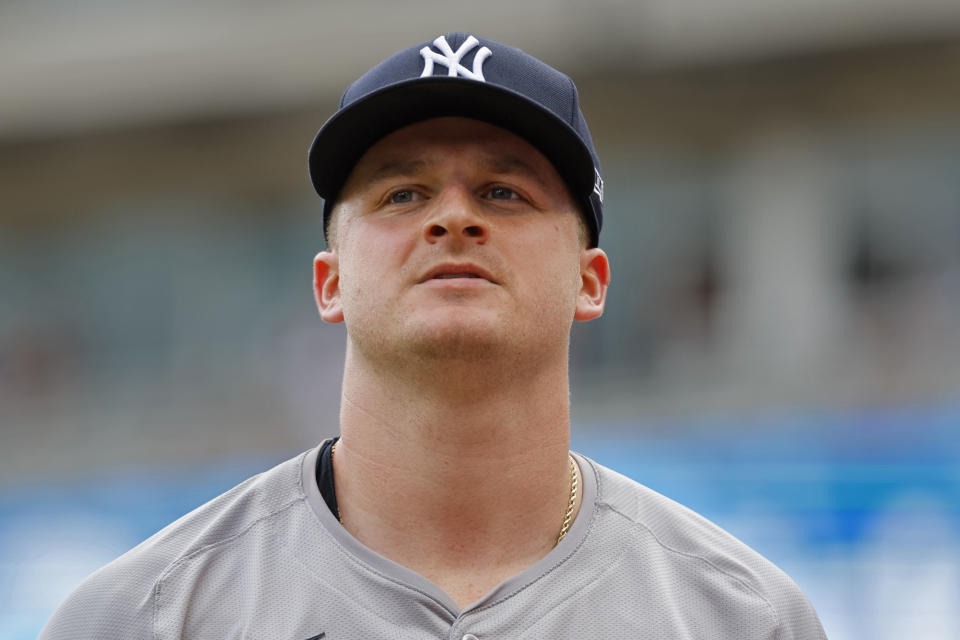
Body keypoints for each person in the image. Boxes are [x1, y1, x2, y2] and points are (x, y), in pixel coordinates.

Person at [40, 32, 826, 639]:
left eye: (503, 191)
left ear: (590, 281)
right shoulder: (144, 617)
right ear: (330, 282)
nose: (453, 217)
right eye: (402, 192)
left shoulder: (737, 616)